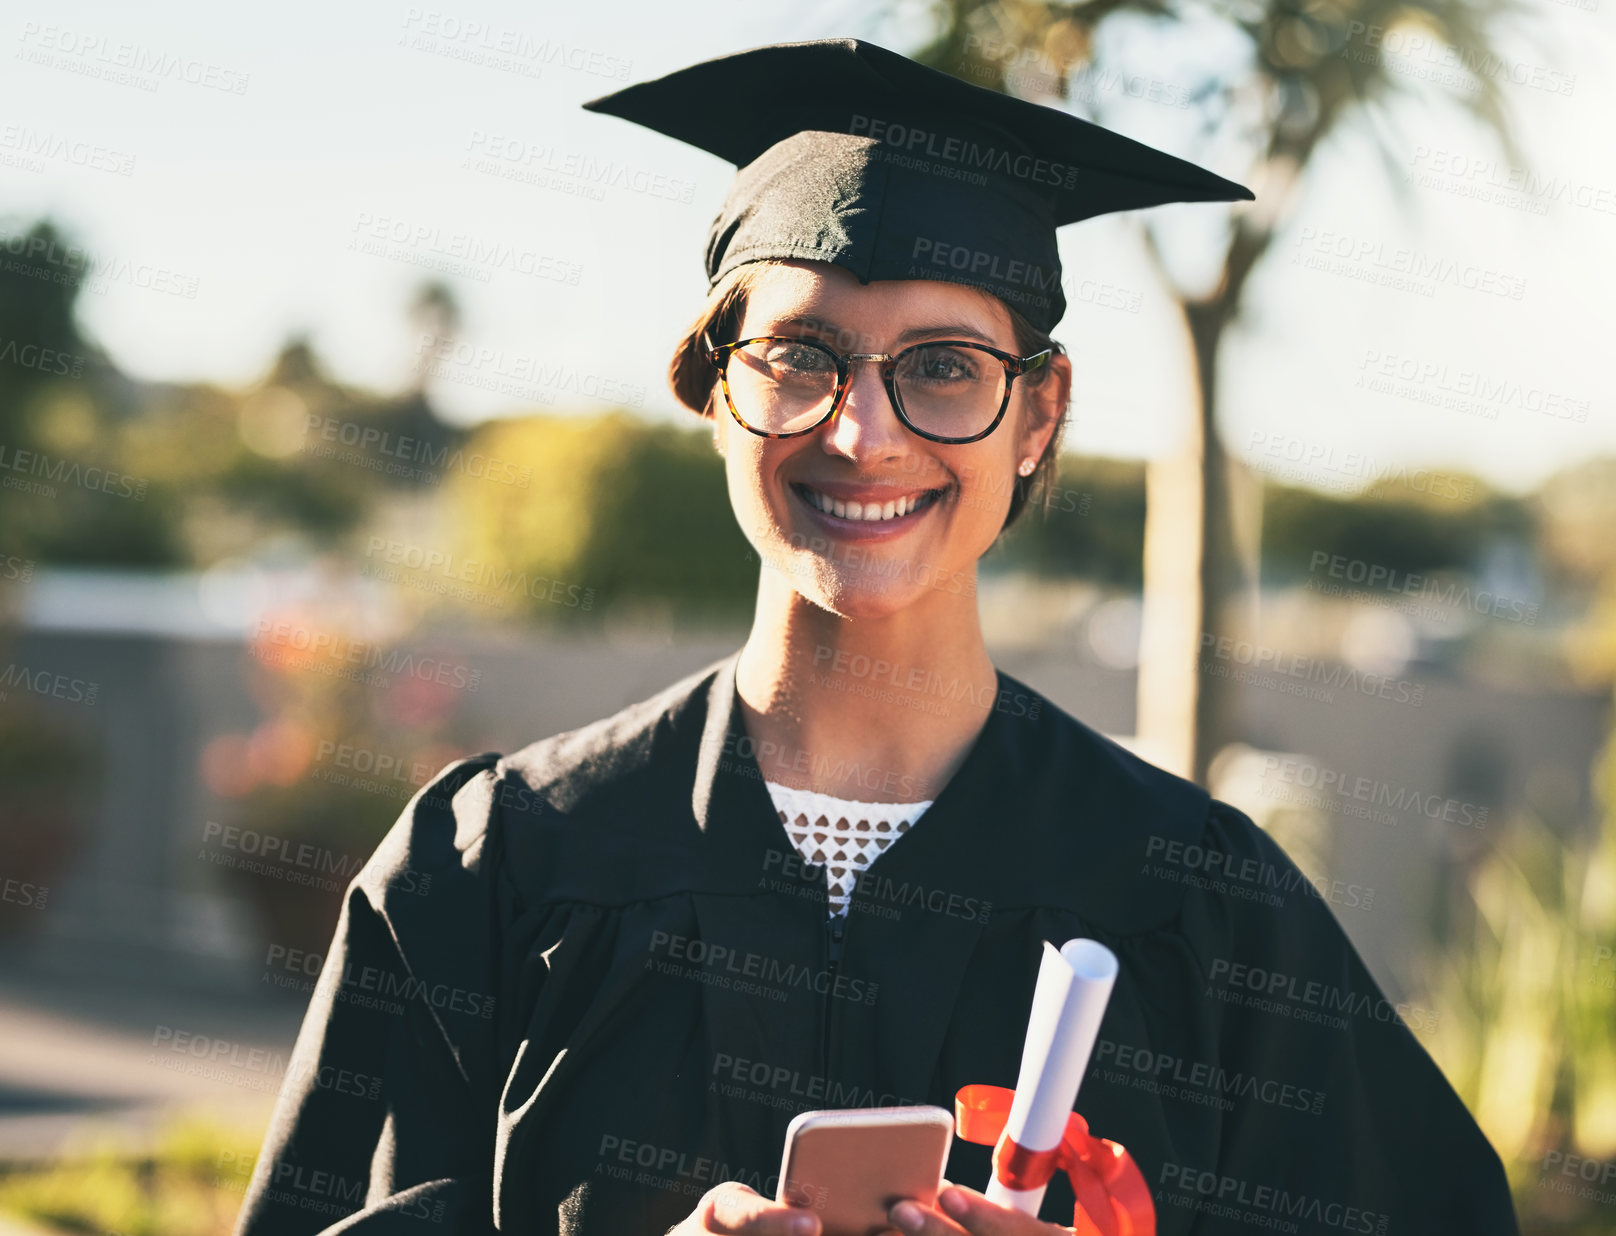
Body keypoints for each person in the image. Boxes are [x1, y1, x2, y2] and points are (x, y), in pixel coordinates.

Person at [232, 38, 1520, 1236]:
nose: (864, 433)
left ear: (1039, 414)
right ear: (713, 388)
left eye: (946, 365)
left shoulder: (1195, 902)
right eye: (800, 356)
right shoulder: (496, 870)